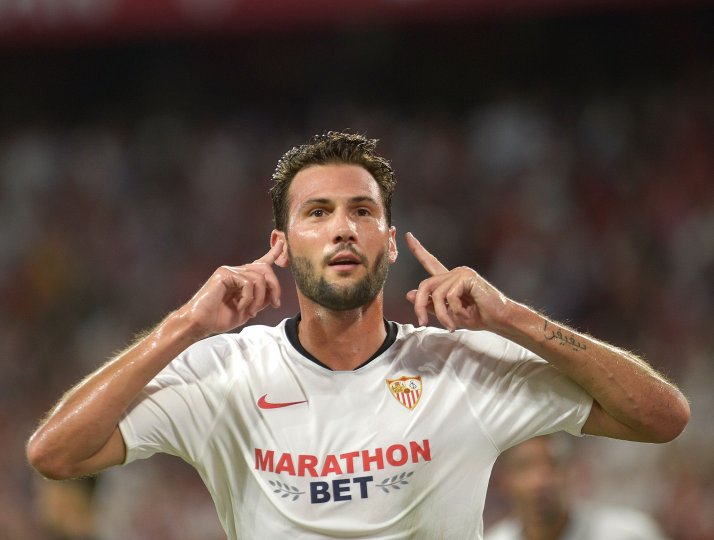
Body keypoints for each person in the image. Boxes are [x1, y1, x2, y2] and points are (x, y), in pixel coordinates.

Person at [27, 131, 690, 539]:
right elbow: (54, 454)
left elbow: (661, 418)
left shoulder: (463, 365)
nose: (343, 227)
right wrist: (181, 327)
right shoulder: (223, 371)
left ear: (391, 244)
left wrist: (513, 317)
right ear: (282, 246)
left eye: (362, 212)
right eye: (319, 213)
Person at [485, 435, 669, 540]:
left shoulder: (628, 534)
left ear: (571, 471)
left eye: (553, 464)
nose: (540, 479)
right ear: (505, 480)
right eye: (525, 466)